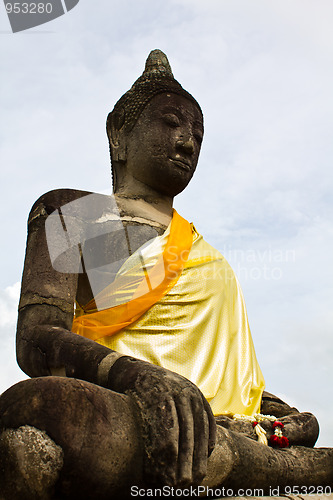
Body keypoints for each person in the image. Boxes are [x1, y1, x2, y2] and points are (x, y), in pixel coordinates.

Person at [0, 50, 331, 499]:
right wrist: (137, 376)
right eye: (171, 123)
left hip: (224, 426)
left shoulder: (207, 254)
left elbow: (239, 384)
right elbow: (36, 336)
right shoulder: (74, 214)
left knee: (303, 436)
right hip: (132, 405)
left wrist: (284, 415)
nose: (187, 142)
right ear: (119, 134)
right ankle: (247, 466)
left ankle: (233, 456)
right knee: (46, 409)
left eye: (197, 133)